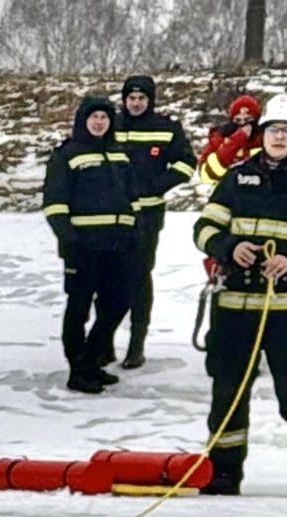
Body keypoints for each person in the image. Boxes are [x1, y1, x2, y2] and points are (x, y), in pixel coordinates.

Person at [194, 94, 287, 498]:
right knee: (227, 392)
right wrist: (228, 248)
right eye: (273, 131)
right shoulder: (236, 176)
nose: (279, 138)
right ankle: (222, 475)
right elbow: (205, 228)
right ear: (262, 135)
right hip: (235, 307)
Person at [44, 96, 138, 394]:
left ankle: (92, 359)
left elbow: (130, 196)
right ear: (83, 120)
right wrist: (68, 240)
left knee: (119, 301)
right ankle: (78, 369)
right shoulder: (67, 154)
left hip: (118, 245)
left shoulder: (119, 153)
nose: (100, 122)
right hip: (83, 246)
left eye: (105, 117)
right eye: (94, 117)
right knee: (79, 307)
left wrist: (133, 231)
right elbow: (54, 203)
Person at [114, 75, 195, 369]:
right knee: (108, 280)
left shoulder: (165, 128)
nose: (136, 104)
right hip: (112, 217)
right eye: (131, 98)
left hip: (147, 216)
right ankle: (103, 343)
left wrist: (156, 185)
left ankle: (136, 344)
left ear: (150, 101)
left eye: (141, 99)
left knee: (139, 278)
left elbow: (187, 163)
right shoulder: (111, 124)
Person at [199, 94, 263, 189]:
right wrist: (234, 142)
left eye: (248, 120)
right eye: (238, 120)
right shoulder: (220, 137)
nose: (243, 124)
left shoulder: (265, 137)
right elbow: (206, 176)